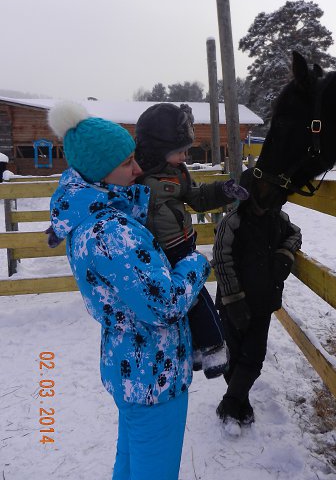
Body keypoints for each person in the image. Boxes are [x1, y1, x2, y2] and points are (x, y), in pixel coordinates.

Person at [47, 102, 211, 480]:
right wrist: (196, 263)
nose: (138, 169)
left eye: (134, 157)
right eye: (126, 163)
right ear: (100, 172)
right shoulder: (111, 232)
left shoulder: (93, 217)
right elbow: (166, 304)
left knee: (132, 461)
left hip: (133, 368)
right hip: (153, 375)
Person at [134, 102, 249, 379]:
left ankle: (214, 344)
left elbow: (197, 198)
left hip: (181, 244)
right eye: (180, 151)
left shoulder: (179, 173)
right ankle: (199, 347)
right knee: (177, 300)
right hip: (152, 250)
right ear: (158, 150)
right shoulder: (133, 174)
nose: (186, 156)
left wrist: (223, 191)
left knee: (195, 295)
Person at [212, 168, 302, 436]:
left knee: (254, 356)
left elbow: (296, 234)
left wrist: (285, 253)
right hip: (233, 302)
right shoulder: (233, 222)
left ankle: (230, 403)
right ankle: (240, 401)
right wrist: (233, 299)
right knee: (233, 354)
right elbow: (221, 259)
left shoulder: (279, 219)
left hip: (263, 301)